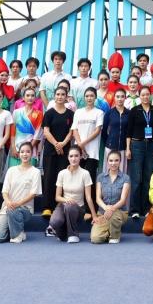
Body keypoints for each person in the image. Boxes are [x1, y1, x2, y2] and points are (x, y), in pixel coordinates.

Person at [0, 142, 42, 243]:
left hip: (25, 208)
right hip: (8, 207)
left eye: (28, 152)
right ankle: (15, 230)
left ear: (32, 154)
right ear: (19, 154)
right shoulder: (11, 170)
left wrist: (17, 204)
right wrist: (8, 202)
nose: (25, 154)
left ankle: (17, 234)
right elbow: (4, 191)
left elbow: (33, 194)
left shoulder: (35, 172)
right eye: (22, 152)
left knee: (13, 211)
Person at [40, 86, 75, 217]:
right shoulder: (49, 113)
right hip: (50, 150)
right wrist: (56, 144)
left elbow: (71, 131)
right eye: (58, 94)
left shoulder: (70, 114)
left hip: (65, 151)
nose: (60, 97)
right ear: (54, 96)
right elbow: (46, 131)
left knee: (63, 178)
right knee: (49, 177)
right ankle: (47, 207)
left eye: (62, 94)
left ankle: (59, 205)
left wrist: (63, 144)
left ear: (66, 97)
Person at [49, 145, 95, 243]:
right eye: (71, 156)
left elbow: (88, 197)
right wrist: (66, 200)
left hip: (78, 208)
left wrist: (94, 216)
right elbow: (57, 197)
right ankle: (62, 232)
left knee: (70, 206)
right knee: (55, 222)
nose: (73, 159)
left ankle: (73, 235)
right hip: (63, 205)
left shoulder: (85, 173)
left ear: (80, 157)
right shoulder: (62, 173)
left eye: (76, 156)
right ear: (68, 157)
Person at [127, 85, 153, 217]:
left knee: (148, 178)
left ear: (150, 95)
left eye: (147, 94)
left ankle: (146, 209)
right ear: (139, 96)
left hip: (151, 145)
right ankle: (134, 210)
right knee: (136, 179)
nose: (145, 97)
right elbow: (129, 131)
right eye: (143, 95)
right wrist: (128, 148)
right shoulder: (134, 110)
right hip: (137, 145)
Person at [90, 150, 131, 244]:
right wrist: (106, 208)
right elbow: (98, 198)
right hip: (103, 212)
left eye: (116, 160)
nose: (113, 163)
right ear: (107, 161)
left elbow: (123, 200)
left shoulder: (125, 178)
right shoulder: (100, 177)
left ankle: (115, 235)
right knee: (95, 239)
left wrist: (111, 209)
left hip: (120, 212)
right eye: (111, 160)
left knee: (113, 217)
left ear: (120, 161)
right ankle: (111, 230)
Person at [71, 87, 105, 178]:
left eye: (91, 96)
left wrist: (83, 143)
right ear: (84, 97)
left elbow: (97, 131)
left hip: (92, 150)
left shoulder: (99, 113)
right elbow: (74, 129)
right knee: (77, 176)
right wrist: (80, 144)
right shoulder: (78, 112)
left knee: (90, 176)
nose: (89, 98)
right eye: (87, 96)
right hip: (78, 150)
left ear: (95, 97)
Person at [101, 87, 130, 175]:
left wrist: (128, 147)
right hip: (110, 147)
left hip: (123, 147)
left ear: (125, 98)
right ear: (114, 98)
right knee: (108, 171)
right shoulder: (109, 113)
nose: (120, 99)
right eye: (117, 96)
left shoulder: (129, 113)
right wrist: (108, 142)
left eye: (122, 96)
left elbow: (129, 131)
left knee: (122, 171)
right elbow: (104, 130)